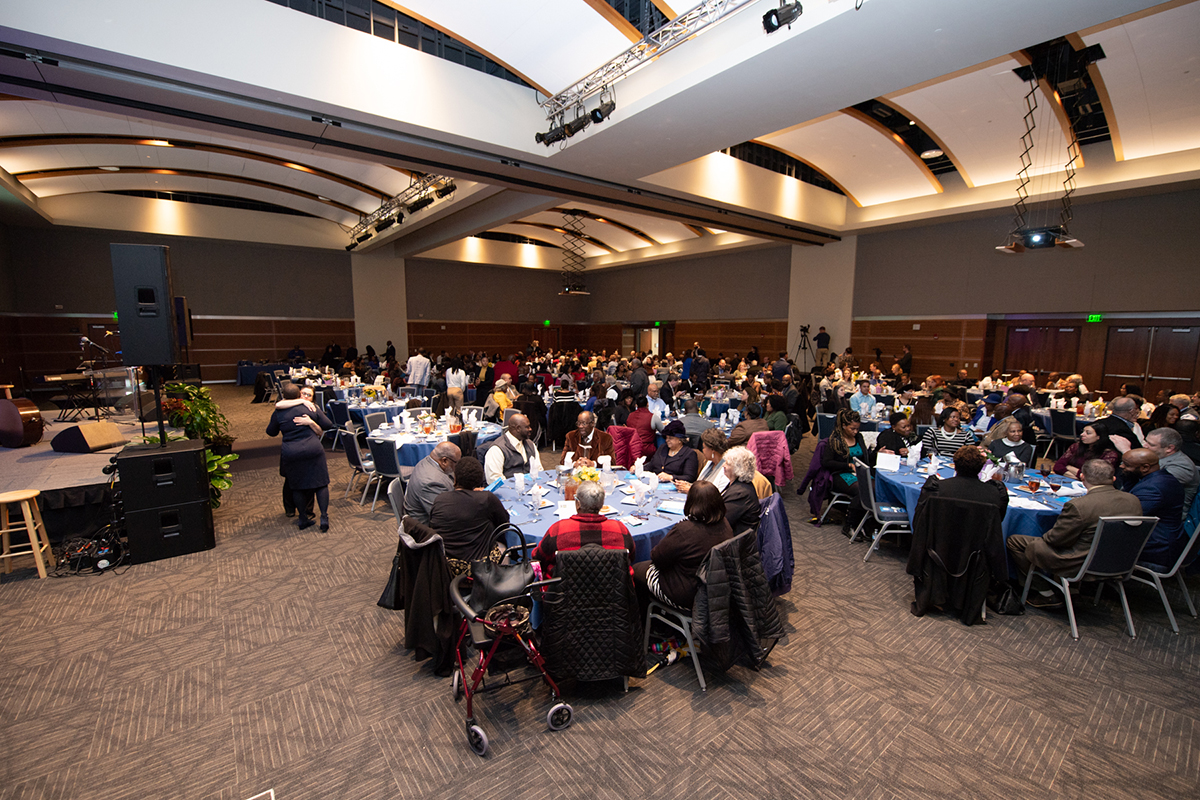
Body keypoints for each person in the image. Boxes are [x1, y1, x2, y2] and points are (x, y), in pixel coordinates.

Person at [1006, 459, 1142, 608]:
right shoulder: (1133, 500)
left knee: (1016, 541)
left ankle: (1046, 593)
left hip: (1078, 562)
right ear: (1113, 478)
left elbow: (1055, 540)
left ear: (1082, 477)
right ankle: (1073, 591)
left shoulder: (1079, 505)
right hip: (1119, 561)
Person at [633, 481, 734, 611]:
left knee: (636, 569)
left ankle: (650, 623)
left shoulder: (685, 530)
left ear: (690, 502)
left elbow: (657, 558)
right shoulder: (725, 524)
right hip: (716, 590)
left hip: (687, 595)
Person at [266, 383, 334, 531]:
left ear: (284, 396)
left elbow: (271, 432)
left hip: (292, 451)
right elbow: (328, 424)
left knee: (296, 486)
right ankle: (323, 517)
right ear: (299, 395)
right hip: (313, 449)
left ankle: (302, 518)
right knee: (321, 484)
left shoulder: (279, 411)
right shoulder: (310, 407)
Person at [534, 481, 635, 578]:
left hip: (562, 592)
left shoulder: (558, 530)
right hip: (615, 592)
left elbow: (539, 559)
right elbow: (631, 557)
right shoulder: (620, 529)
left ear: (578, 503)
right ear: (602, 503)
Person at [429, 457, 510, 575]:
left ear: (455, 478)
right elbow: (504, 526)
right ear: (479, 481)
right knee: (504, 546)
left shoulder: (440, 499)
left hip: (446, 568)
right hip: (480, 570)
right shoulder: (487, 499)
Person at [1119, 448, 1187, 569]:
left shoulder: (1152, 489)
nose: (1121, 466)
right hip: (1164, 540)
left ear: (1145, 467)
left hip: (1156, 549)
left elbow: (1127, 516)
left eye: (1127, 465)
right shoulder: (1162, 477)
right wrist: (1129, 476)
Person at [914, 444, 1008, 520]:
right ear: (980, 469)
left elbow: (920, 520)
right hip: (979, 542)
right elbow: (997, 522)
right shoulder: (994, 494)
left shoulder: (936, 489)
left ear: (955, 466)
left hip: (939, 540)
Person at [822, 409, 871, 534]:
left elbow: (865, 457)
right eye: (852, 429)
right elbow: (827, 462)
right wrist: (848, 465)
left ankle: (866, 523)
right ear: (844, 426)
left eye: (857, 429)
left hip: (859, 472)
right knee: (863, 489)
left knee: (875, 488)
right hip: (840, 473)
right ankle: (851, 524)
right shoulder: (835, 440)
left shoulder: (858, 437)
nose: (855, 432)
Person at [402, 442, 460, 524]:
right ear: (444, 461)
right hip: (426, 528)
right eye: (456, 462)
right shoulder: (432, 483)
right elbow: (444, 518)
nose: (458, 466)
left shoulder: (427, 461)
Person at [1145, 427, 1199, 509]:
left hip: (1170, 515)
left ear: (1169, 448)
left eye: (1151, 445)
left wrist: (1128, 453)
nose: (1145, 446)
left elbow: (1153, 485)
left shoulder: (1182, 465)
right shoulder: (1156, 456)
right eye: (1146, 441)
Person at [483, 413, 539, 482]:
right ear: (518, 428)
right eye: (527, 427)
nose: (530, 429)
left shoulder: (530, 444)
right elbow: (494, 479)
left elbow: (539, 469)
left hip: (532, 488)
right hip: (509, 489)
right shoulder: (497, 449)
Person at [1052, 424, 1121, 479]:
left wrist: (1070, 468)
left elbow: (1095, 478)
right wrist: (1079, 477)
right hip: (1071, 481)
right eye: (1083, 431)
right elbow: (1058, 467)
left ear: (1098, 437)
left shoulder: (1110, 455)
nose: (1082, 434)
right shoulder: (1076, 446)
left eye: (1088, 433)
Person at [676, 427, 730, 494]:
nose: (703, 450)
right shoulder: (710, 462)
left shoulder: (726, 470)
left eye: (704, 447)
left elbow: (717, 496)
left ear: (712, 450)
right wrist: (688, 485)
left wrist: (691, 490)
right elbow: (701, 484)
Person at [720, 446, 761, 532]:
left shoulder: (740, 493)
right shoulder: (739, 484)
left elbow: (721, 522)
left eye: (727, 463)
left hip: (735, 539)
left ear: (737, 468)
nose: (723, 465)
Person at [626, 395, 662, 460]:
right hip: (647, 450)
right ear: (648, 404)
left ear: (636, 405)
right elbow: (663, 430)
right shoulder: (653, 417)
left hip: (631, 448)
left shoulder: (630, 416)